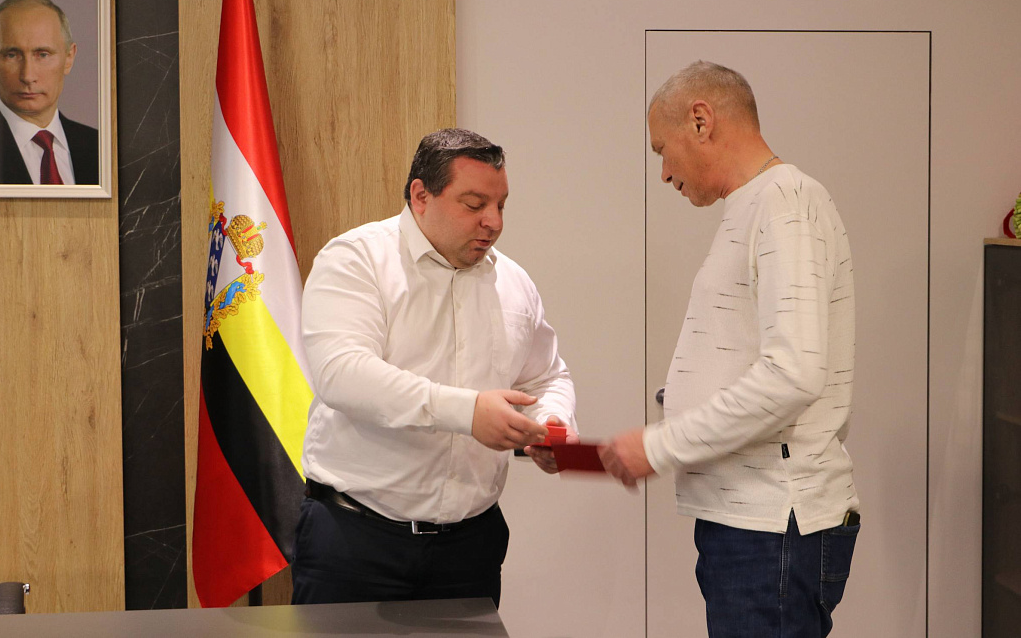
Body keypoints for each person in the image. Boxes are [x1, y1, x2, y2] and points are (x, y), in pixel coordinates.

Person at [600, 61, 859, 637]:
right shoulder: (757, 204)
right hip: (753, 523)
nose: (664, 173)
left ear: (700, 120)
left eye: (662, 150)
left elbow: (792, 374)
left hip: (774, 524)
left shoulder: (785, 201)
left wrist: (662, 444)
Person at [292, 128, 577, 608]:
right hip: (356, 540)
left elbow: (546, 376)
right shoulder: (356, 260)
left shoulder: (513, 282)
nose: (493, 222)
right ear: (420, 196)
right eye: (474, 204)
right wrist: (468, 412)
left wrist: (552, 422)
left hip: (471, 547)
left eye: (501, 205)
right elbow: (342, 373)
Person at [0, 0, 98, 185]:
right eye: (12, 55)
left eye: (43, 54)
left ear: (69, 58)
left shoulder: (101, 147)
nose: (27, 76)